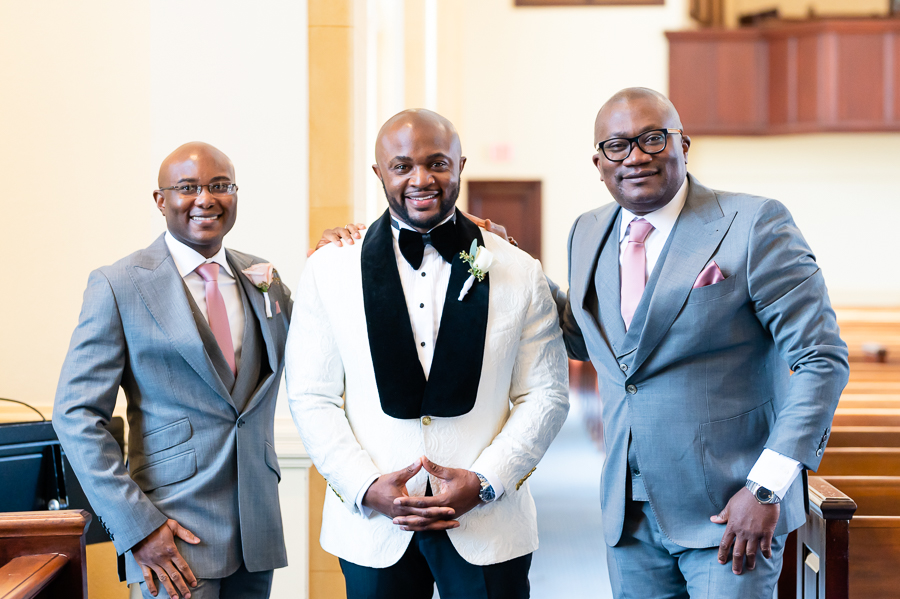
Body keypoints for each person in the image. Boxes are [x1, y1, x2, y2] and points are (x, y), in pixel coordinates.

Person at [551, 87, 848, 598]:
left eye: (652, 138)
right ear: (599, 162)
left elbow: (821, 358)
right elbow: (591, 342)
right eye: (618, 146)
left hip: (731, 509)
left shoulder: (754, 224)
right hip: (629, 513)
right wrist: (502, 260)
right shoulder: (587, 231)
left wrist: (766, 486)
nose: (637, 156)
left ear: (684, 144)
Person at [285, 109, 569, 598]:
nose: (421, 179)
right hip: (373, 527)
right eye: (402, 166)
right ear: (379, 173)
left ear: (460, 165)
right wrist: (365, 486)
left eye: (438, 163)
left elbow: (545, 394)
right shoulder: (329, 270)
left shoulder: (519, 269)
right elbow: (311, 396)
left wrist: (484, 482)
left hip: (488, 525)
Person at [53, 142, 292, 599]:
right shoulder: (118, 284)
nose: (206, 198)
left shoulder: (264, 277)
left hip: (257, 529)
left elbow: (310, 353)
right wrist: (137, 528)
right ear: (161, 201)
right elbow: (76, 415)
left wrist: (345, 251)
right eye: (188, 188)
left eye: (221, 186)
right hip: (171, 536)